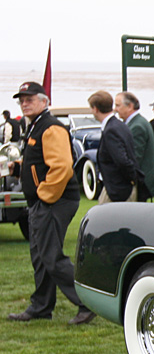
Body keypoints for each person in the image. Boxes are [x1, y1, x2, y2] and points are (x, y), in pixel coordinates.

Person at [7, 81, 95, 325]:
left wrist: (44, 195)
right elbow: (41, 163)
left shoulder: (50, 128)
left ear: (44, 102)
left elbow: (61, 168)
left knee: (51, 256)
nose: (24, 103)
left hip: (53, 201)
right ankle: (41, 306)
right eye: (21, 100)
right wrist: (19, 169)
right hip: (45, 202)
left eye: (30, 99)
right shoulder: (35, 126)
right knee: (40, 255)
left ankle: (86, 303)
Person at [89, 90, 139, 204]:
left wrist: (131, 179)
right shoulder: (120, 125)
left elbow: (122, 160)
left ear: (96, 109)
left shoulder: (111, 130)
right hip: (118, 187)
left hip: (118, 190)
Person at [116, 92, 154, 202]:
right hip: (144, 179)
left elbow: (135, 157)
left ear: (130, 106)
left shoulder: (137, 126)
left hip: (141, 183)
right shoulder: (139, 122)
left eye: (118, 105)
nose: (115, 109)